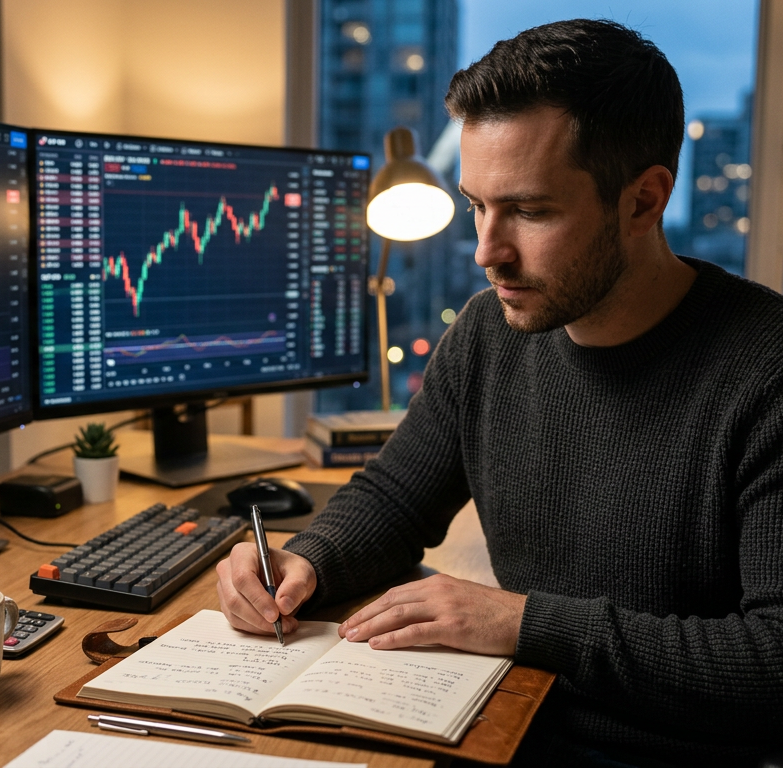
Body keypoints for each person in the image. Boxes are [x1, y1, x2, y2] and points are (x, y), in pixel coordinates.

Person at [217, 18, 783, 767]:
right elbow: (394, 496)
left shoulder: (766, 369)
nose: (488, 251)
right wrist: (308, 561)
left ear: (645, 200)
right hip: (491, 724)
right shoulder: (491, 330)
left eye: (530, 211)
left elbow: (772, 662)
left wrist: (524, 624)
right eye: (478, 205)